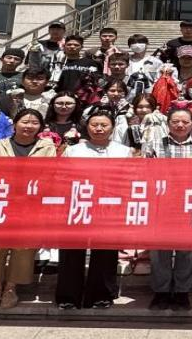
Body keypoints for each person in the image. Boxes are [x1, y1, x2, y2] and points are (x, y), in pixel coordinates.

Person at [55, 109, 133, 309]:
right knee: (72, 250)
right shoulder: (74, 150)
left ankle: (101, 294)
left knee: (105, 251)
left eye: (104, 125)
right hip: (78, 203)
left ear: (112, 128)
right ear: (86, 127)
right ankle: (68, 295)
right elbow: (62, 176)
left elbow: (129, 179)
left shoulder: (123, 151)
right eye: (94, 125)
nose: (99, 129)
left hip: (109, 205)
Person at [0, 108, 57, 309]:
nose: (29, 126)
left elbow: (49, 174)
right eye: (24, 122)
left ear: (41, 127)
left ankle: (11, 288)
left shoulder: (46, 147)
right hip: (0, 202)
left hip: (30, 204)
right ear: (14, 124)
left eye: (34, 123)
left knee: (23, 248)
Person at [142, 106, 192, 310]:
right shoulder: (155, 143)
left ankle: (182, 291)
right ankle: (161, 291)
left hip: (190, 202)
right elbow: (144, 171)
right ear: (168, 123)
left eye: (185, 122)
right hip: (161, 202)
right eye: (175, 122)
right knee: (159, 249)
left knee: (187, 249)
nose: (180, 125)